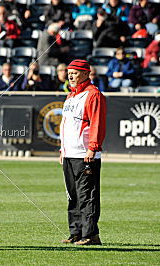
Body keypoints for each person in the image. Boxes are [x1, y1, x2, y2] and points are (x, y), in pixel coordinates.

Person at [59, 59, 106, 246]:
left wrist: (92, 147)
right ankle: (76, 232)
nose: (70, 75)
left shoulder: (93, 94)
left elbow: (97, 123)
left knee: (87, 195)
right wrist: (62, 149)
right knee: (72, 195)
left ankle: (91, 235)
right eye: (69, 72)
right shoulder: (70, 96)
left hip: (84, 153)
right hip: (69, 153)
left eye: (75, 72)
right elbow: (66, 125)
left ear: (86, 73)